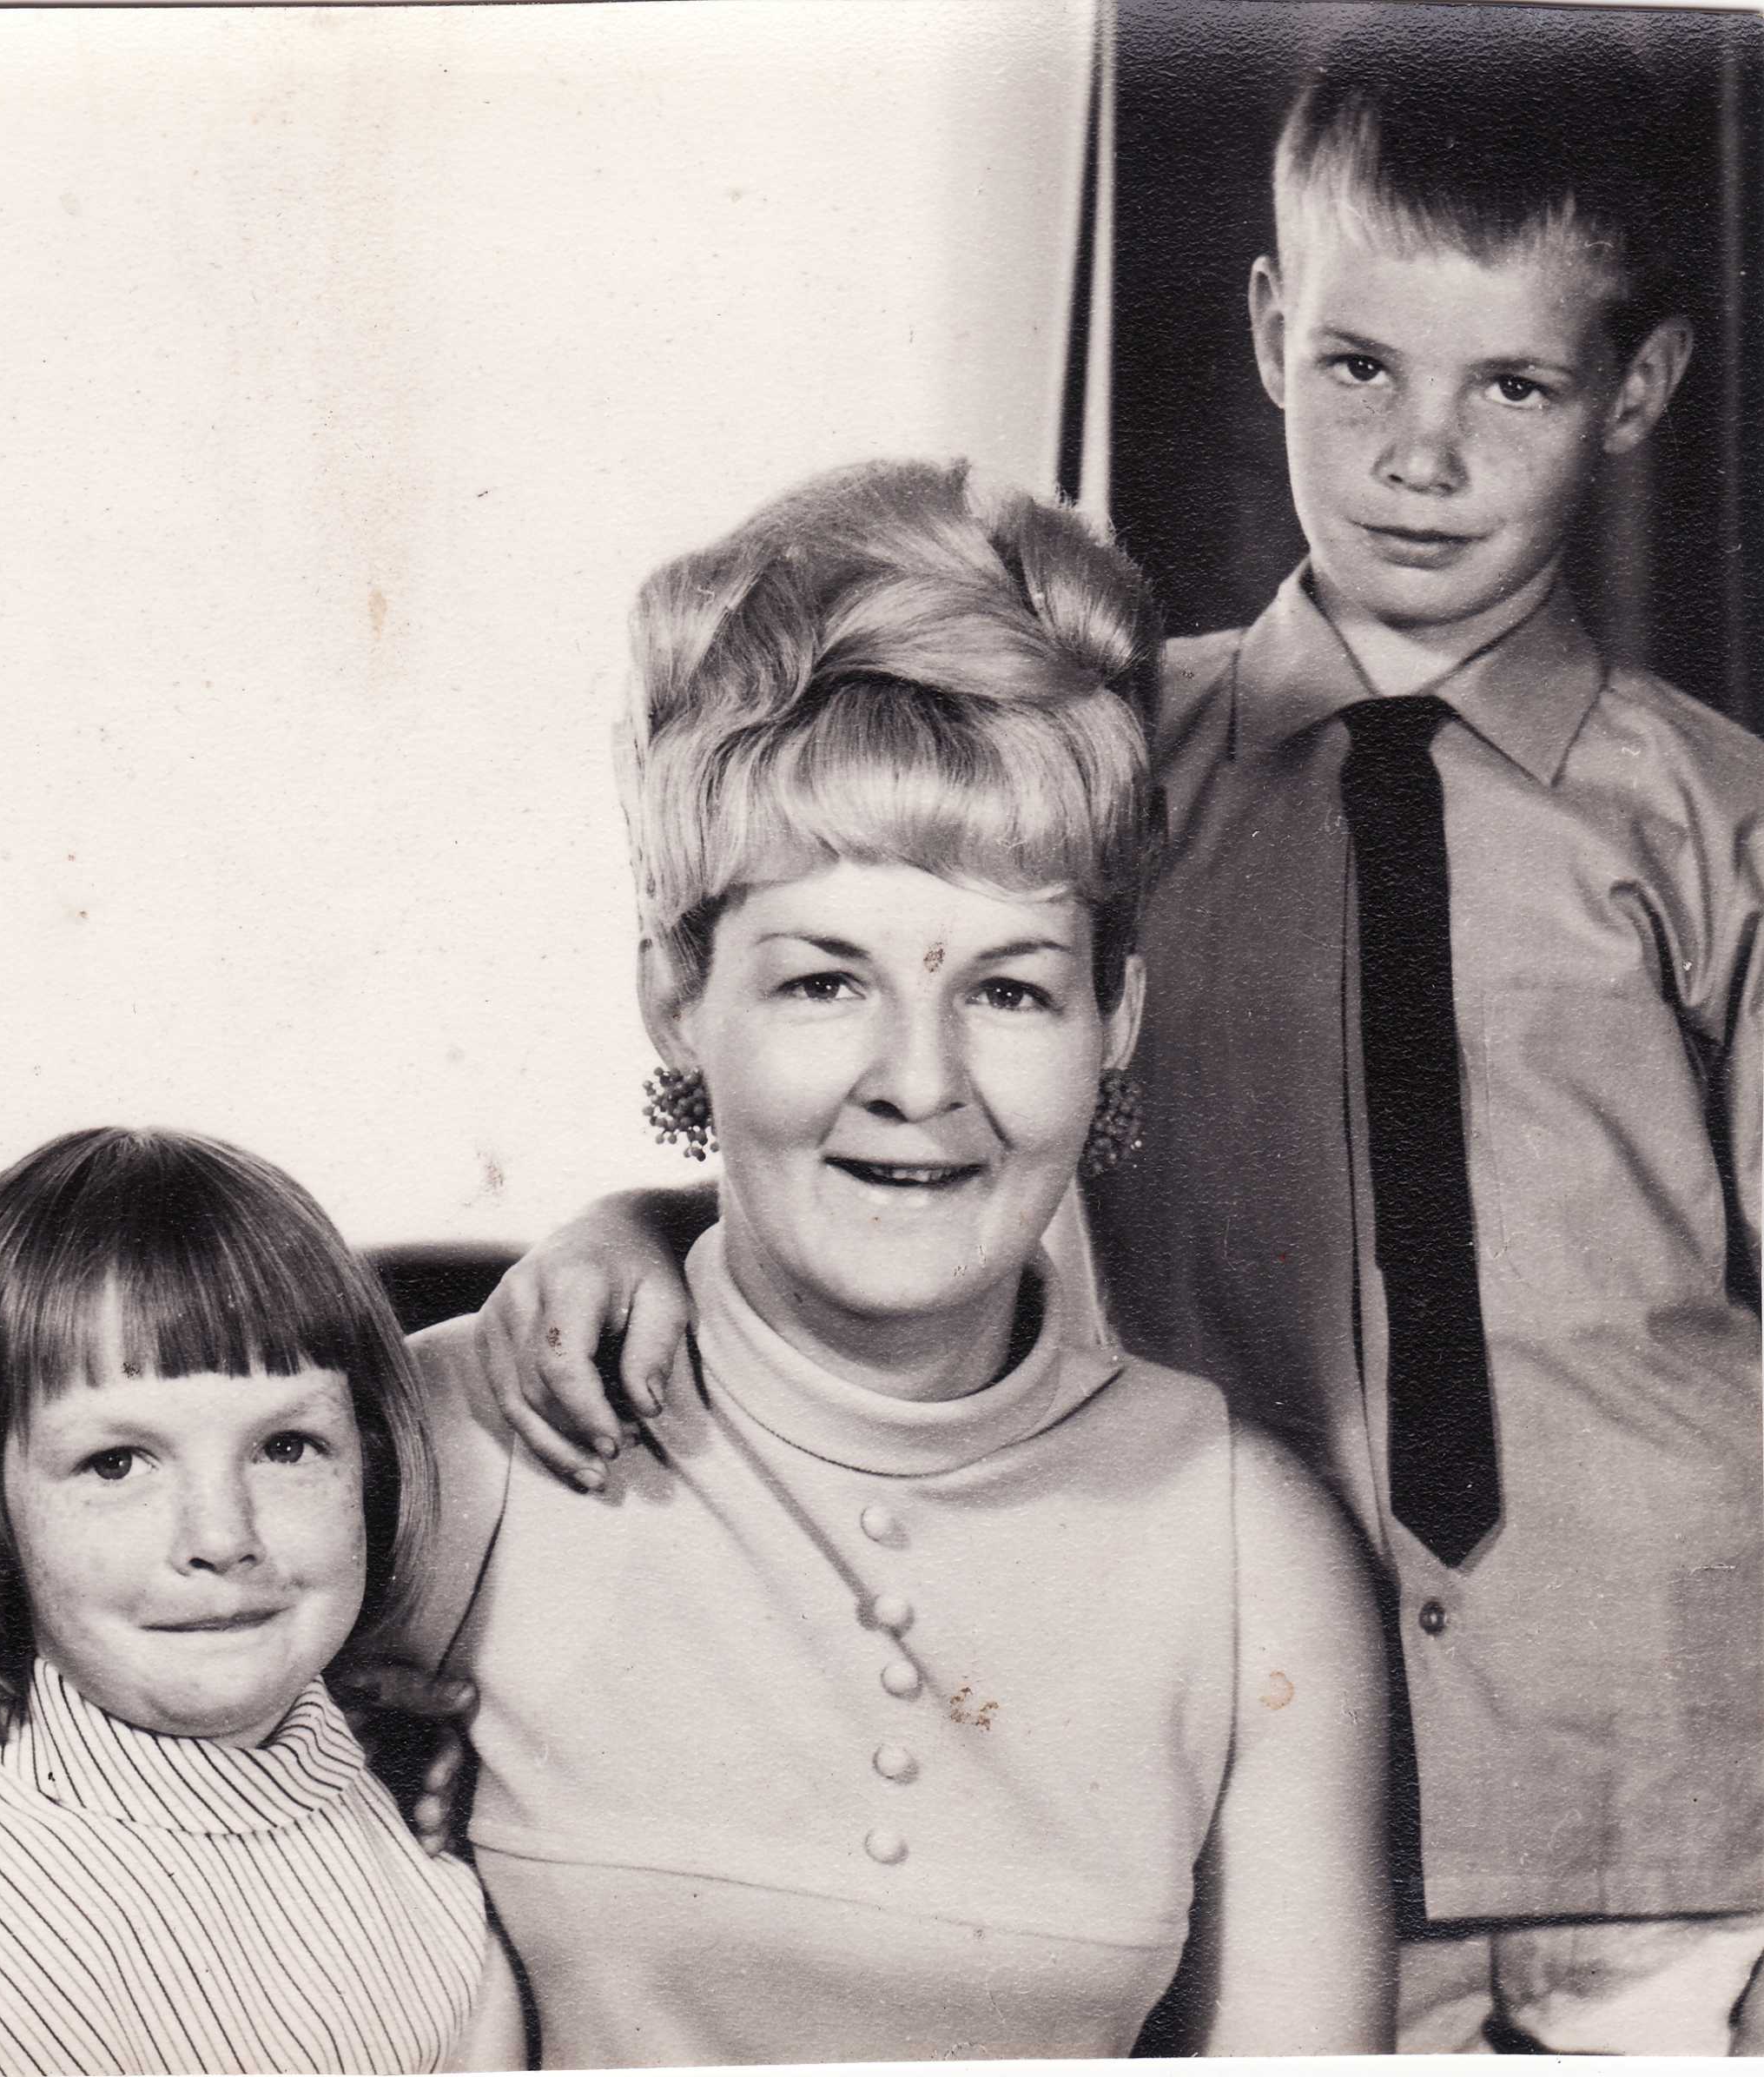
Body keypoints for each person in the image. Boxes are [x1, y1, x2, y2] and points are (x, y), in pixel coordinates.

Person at [494, 25, 1764, 2058]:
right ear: (1267, 329)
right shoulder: (1087, 777)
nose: (1417, 455)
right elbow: (896, 1101)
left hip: (1682, 1781)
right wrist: (633, 1224)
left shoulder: (1718, 824)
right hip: (1252, 1752)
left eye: (1507, 385)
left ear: (1635, 393)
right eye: (1359, 366)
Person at [393, 459, 1390, 2064]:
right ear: (676, 995)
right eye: (824, 983)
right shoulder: (454, 1449)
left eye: (1008, 990)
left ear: (1115, 1017)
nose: (920, 1083)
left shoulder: (1254, 1556)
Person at [0, 1128, 524, 2077]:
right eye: (116, 1462)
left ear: (371, 1465)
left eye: (285, 1448)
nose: (222, 1535)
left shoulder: (441, 1917)